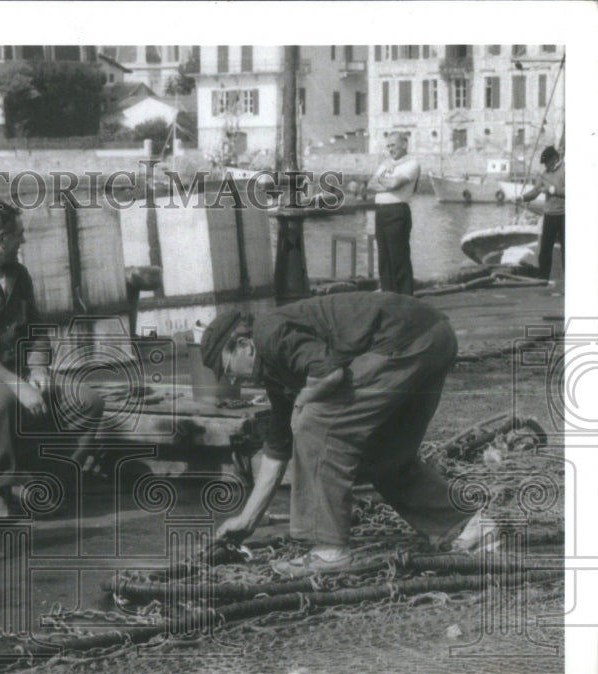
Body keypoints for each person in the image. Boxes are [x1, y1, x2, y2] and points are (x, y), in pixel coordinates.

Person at [200, 292, 492, 577]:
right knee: (382, 453)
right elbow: (277, 450)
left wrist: (301, 402)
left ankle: (328, 550)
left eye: (227, 370)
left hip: (404, 340)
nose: (232, 381)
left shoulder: (269, 333)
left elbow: (329, 374)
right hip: (433, 338)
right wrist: (247, 519)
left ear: (243, 345)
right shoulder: (276, 372)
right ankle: (467, 524)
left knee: (315, 423)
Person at [0, 202, 105, 516]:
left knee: (88, 401)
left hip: (14, 370)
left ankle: (55, 477)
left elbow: (36, 327)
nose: (23, 241)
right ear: (2, 239)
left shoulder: (19, 275)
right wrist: (17, 383)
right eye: (19, 234)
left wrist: (38, 366)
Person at [369, 132, 421, 295]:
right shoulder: (385, 164)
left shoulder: (412, 164)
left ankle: (405, 296)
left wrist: (383, 180)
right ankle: (388, 294)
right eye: (388, 146)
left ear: (404, 144)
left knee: (398, 257)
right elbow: (371, 184)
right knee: (384, 258)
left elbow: (395, 183)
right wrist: (387, 183)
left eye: (393, 145)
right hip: (381, 212)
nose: (390, 149)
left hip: (397, 211)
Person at [518, 145, 565, 286]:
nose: (546, 166)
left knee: (567, 250)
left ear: (555, 159)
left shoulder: (566, 170)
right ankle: (542, 279)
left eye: (548, 163)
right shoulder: (544, 174)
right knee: (545, 250)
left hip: (564, 215)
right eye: (544, 164)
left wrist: (552, 190)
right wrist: (522, 198)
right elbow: (536, 191)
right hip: (549, 215)